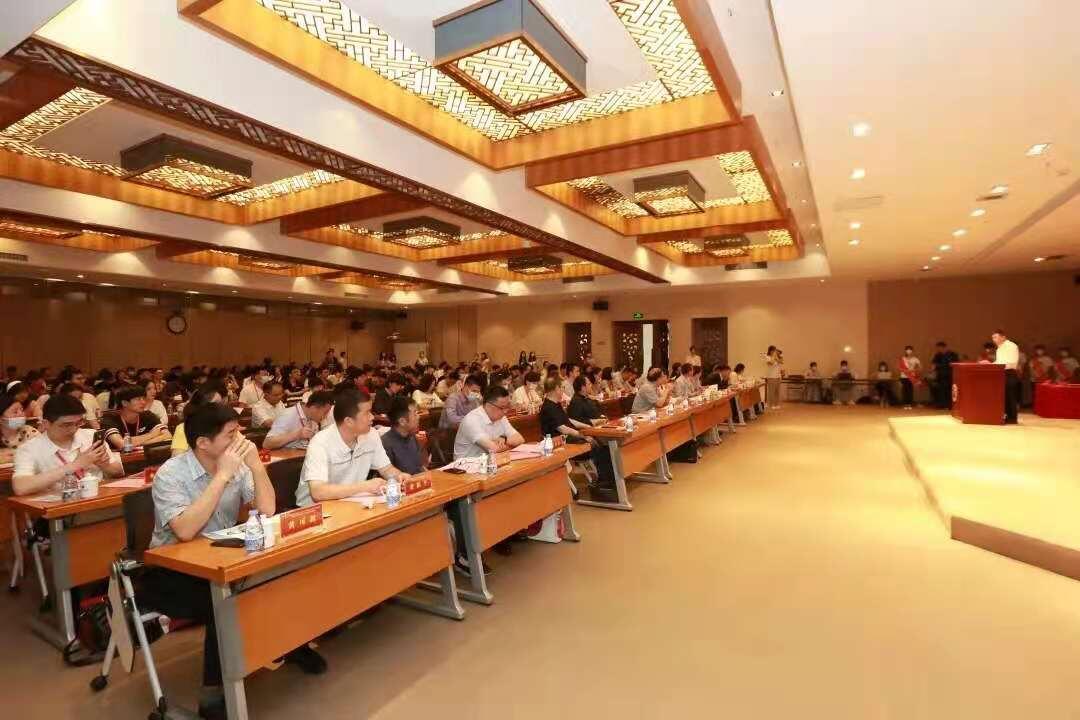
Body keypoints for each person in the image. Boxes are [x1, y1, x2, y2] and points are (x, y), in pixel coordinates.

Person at [142, 402, 324, 720]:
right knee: (227, 601)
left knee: (283, 576)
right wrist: (222, 476)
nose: (240, 439)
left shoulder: (238, 465)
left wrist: (255, 466)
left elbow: (267, 510)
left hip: (221, 556)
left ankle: (290, 645)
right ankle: (213, 691)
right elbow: (184, 531)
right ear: (203, 442)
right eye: (231, 434)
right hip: (172, 571)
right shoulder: (171, 474)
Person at [295, 389, 409, 507]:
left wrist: (399, 476)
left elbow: (386, 469)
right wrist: (365, 486)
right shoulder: (320, 443)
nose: (372, 417)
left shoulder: (371, 434)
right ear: (348, 421)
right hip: (315, 510)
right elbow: (318, 492)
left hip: (351, 503)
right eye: (367, 413)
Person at [12, 395, 124, 497]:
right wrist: (76, 465)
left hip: (100, 498)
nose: (74, 429)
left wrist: (105, 465)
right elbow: (20, 487)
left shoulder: (90, 436)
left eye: (79, 422)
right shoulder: (29, 448)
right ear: (46, 423)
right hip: (60, 506)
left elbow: (119, 472)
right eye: (66, 425)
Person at [538, 377, 618, 503]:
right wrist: (582, 435)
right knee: (597, 446)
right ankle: (604, 482)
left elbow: (568, 420)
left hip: (568, 438)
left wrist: (587, 426)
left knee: (602, 444)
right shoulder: (548, 407)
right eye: (562, 388)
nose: (563, 390)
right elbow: (562, 428)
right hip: (559, 442)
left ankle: (607, 480)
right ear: (556, 389)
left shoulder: (556, 403)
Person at [452, 385, 524, 459]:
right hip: (467, 464)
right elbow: (494, 449)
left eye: (507, 407)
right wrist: (512, 444)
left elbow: (520, 439)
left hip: (490, 461)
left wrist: (505, 440)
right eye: (502, 407)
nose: (505, 411)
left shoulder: (501, 417)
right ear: (488, 405)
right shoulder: (472, 420)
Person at [101, 385, 171, 450]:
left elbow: (167, 435)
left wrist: (140, 443)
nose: (143, 402)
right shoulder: (109, 418)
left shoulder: (148, 415)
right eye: (138, 399)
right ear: (125, 403)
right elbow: (121, 444)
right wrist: (151, 435)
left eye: (143, 398)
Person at [263, 390, 335, 450]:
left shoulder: (313, 418)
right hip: (289, 458)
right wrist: (297, 434)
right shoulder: (289, 415)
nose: (325, 416)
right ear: (314, 408)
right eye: (325, 412)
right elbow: (267, 444)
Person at [171, 383, 225, 457]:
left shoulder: (226, 427)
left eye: (221, 404)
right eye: (215, 405)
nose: (220, 409)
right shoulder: (183, 428)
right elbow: (177, 459)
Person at [381, 396, 426, 474]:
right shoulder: (385, 444)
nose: (418, 417)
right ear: (402, 421)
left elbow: (420, 467)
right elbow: (389, 477)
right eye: (415, 414)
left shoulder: (412, 437)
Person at [991, 329, 1021, 424]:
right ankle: (1006, 416)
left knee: (1010, 396)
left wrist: (996, 365)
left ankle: (1012, 418)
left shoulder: (1011, 346)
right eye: (993, 338)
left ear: (1003, 337)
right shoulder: (999, 348)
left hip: (1009, 373)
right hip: (1001, 373)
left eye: (996, 337)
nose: (994, 340)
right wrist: (990, 364)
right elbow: (999, 361)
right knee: (1004, 396)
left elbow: (1012, 362)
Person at [930, 341, 959, 409]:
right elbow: (934, 364)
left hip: (950, 375)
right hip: (940, 375)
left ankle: (950, 405)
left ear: (944, 347)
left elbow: (956, 364)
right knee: (941, 390)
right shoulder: (937, 355)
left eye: (940, 348)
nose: (939, 349)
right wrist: (932, 370)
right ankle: (942, 404)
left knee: (949, 390)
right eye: (938, 348)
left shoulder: (952, 354)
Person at [898, 345, 922, 409]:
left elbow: (920, 367)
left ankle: (909, 404)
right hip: (903, 376)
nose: (909, 351)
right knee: (904, 390)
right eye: (907, 350)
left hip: (911, 377)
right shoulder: (902, 358)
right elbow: (899, 368)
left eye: (910, 350)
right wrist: (905, 370)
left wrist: (914, 370)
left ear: (912, 351)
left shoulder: (915, 359)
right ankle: (905, 404)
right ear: (905, 351)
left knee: (910, 390)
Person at [764, 346, 783, 410]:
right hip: (771, 376)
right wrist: (774, 357)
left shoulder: (777, 357)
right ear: (770, 351)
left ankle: (776, 404)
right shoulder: (767, 357)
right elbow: (771, 363)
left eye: (775, 350)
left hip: (778, 376)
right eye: (774, 350)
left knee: (777, 391)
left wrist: (777, 357)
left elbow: (781, 362)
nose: (775, 351)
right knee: (771, 391)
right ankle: (770, 404)